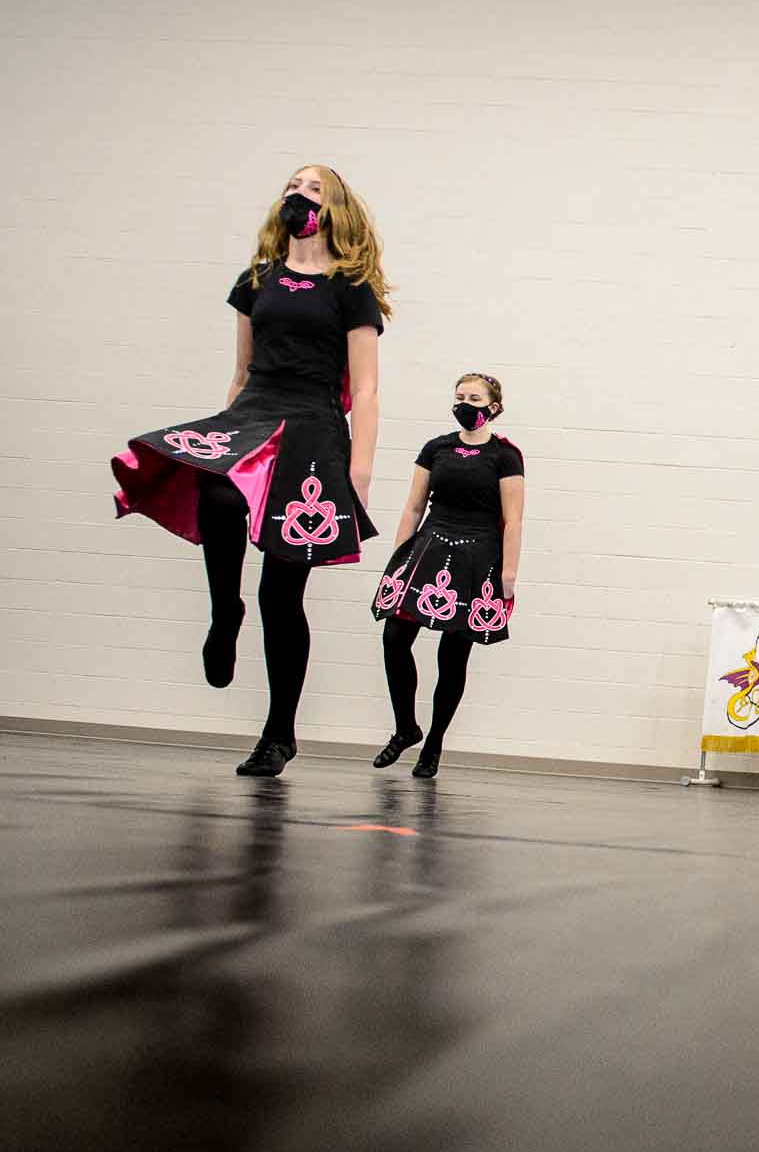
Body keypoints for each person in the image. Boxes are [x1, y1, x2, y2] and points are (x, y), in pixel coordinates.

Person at [111, 165, 388, 776]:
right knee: (218, 494)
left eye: (313, 188)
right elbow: (240, 372)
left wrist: (359, 474)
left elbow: (365, 391)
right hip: (254, 411)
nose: (299, 194)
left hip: (314, 426)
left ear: (335, 207)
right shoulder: (256, 280)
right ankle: (222, 611)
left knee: (281, 595)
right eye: (293, 185)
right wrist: (222, 434)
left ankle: (279, 733)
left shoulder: (351, 288)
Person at [370, 373, 525, 779]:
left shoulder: (505, 456)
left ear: (494, 406)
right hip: (429, 547)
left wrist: (509, 570)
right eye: (459, 397)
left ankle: (434, 744)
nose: (465, 404)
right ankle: (406, 726)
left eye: (474, 398)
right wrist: (399, 556)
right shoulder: (436, 448)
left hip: (478, 555)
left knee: (452, 656)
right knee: (395, 637)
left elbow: (513, 519)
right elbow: (413, 506)